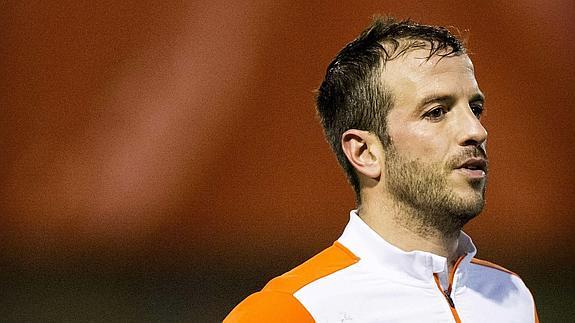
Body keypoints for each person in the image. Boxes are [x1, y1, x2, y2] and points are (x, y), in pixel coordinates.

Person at [224, 16, 539, 322]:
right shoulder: (291, 310)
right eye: (436, 112)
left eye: (475, 109)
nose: (476, 131)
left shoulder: (512, 296)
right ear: (365, 152)